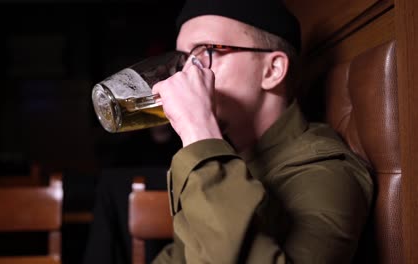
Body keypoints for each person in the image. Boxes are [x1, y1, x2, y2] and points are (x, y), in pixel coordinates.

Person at [150, 0, 373, 263]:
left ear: (273, 70)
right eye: (183, 61)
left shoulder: (328, 173)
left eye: (204, 53)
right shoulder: (232, 156)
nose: (185, 76)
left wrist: (198, 130)